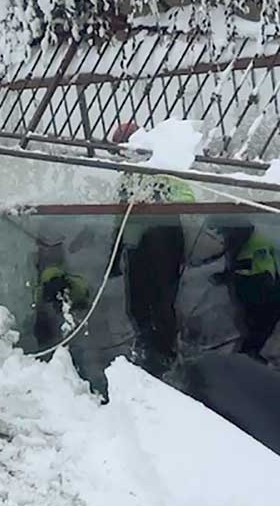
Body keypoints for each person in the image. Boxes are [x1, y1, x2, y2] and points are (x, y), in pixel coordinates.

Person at [110, 121, 194, 378]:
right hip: (138, 247)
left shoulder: (161, 170)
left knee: (161, 302)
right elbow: (118, 216)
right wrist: (114, 254)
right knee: (137, 303)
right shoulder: (127, 177)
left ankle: (165, 353)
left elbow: (188, 198)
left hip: (164, 241)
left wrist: (158, 203)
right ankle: (146, 346)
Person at [205, 218, 280, 361]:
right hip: (261, 285)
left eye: (223, 231)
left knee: (257, 326)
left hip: (261, 285)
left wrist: (223, 277)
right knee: (255, 326)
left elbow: (245, 265)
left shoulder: (251, 241)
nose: (223, 235)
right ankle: (248, 353)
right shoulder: (246, 236)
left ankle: (247, 355)